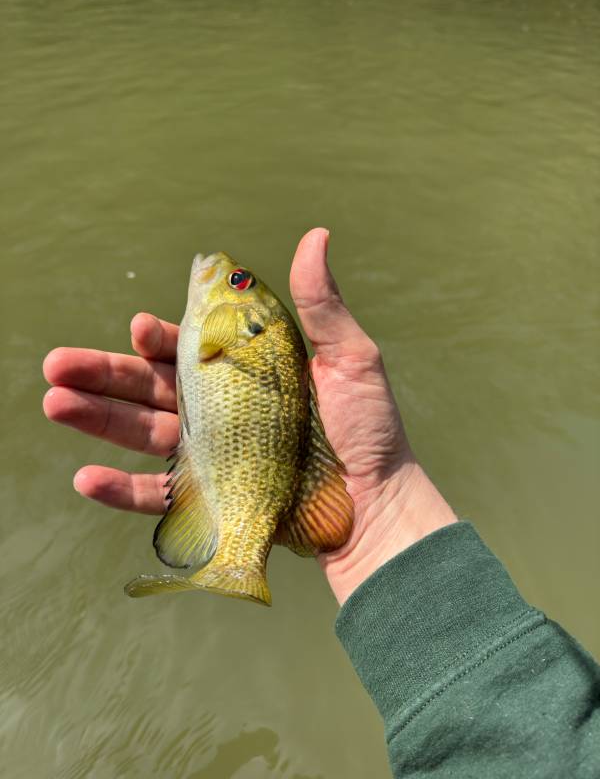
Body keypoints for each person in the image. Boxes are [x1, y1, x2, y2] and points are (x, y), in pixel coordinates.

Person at [43, 228, 599, 778]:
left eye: (238, 281)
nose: (224, 273)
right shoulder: (220, 333)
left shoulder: (223, 332)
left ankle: (234, 566)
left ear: (241, 315)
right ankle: (232, 560)